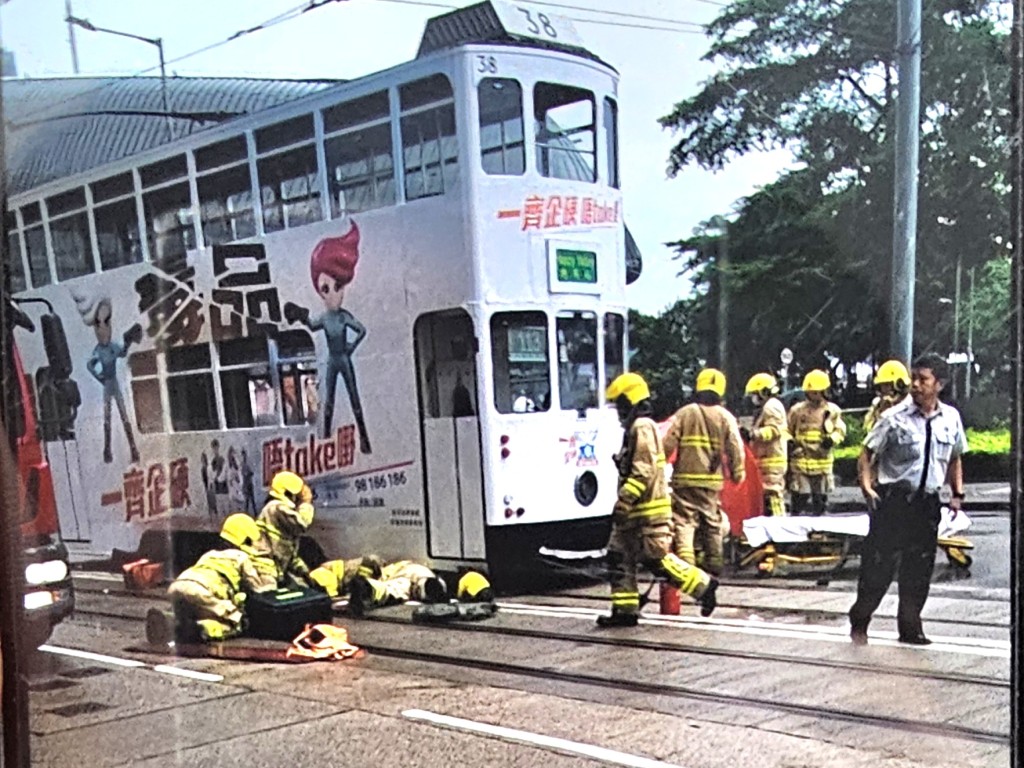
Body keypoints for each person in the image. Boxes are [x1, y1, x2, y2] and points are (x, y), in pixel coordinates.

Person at [848, 354, 967, 645]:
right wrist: (867, 486)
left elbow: (954, 458)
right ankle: (861, 617)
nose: (915, 385)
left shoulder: (950, 418)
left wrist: (957, 494)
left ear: (939, 384)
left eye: (923, 379)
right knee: (879, 567)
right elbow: (867, 453)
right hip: (894, 502)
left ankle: (910, 626)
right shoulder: (893, 417)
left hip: (926, 504)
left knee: (919, 568)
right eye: (914, 378)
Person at [598, 372, 718, 627]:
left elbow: (644, 469)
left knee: (657, 560)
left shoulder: (642, 426)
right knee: (618, 557)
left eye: (621, 405)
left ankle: (704, 586)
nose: (619, 412)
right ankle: (625, 610)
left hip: (646, 511)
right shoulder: (637, 428)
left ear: (632, 401)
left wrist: (625, 501)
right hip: (634, 514)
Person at [283, 221, 371, 452]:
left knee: (354, 400)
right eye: (325, 289)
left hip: (342, 358)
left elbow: (361, 330)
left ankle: (365, 438)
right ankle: (325, 438)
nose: (332, 294)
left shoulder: (342, 317)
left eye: (337, 286)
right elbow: (312, 326)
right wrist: (300, 316)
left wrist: (351, 347)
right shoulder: (326, 318)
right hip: (334, 359)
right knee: (329, 401)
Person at [662, 368, 745, 575]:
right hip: (711, 481)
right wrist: (738, 473)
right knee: (712, 521)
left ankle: (686, 565)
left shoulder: (685, 413)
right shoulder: (726, 417)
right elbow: (736, 447)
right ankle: (715, 563)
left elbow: (668, 442)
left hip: (684, 480)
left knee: (684, 522)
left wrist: (659, 463)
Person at [161, 514, 276, 642]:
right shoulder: (241, 557)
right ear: (246, 540)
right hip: (203, 591)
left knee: (195, 612)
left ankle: (170, 620)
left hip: (178, 586)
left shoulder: (210, 554)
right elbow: (259, 589)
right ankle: (198, 629)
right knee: (236, 622)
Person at [76, 293, 142, 464]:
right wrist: (100, 378)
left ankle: (133, 448)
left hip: (114, 384)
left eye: (107, 322)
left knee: (124, 416)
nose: (104, 329)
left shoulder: (113, 347)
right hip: (108, 385)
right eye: (99, 324)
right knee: (107, 418)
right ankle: (107, 450)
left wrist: (128, 341)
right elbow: (90, 365)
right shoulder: (99, 350)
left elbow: (123, 352)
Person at [787, 369, 846, 515]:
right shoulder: (797, 411)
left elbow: (840, 430)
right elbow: (786, 429)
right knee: (800, 496)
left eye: (817, 392)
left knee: (820, 499)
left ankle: (820, 528)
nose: (814, 396)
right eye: (811, 392)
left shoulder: (832, 411)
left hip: (822, 460)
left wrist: (831, 440)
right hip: (801, 460)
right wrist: (790, 442)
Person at [310, 556, 446, 616]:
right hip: (386, 576)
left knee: (393, 590)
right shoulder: (412, 580)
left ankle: (367, 588)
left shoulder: (421, 572)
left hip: (387, 572)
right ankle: (367, 589)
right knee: (392, 591)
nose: (414, 593)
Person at [257, 470, 316, 587]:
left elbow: (286, 548)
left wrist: (304, 572)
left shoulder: (275, 509)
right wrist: (306, 502)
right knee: (271, 600)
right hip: (266, 569)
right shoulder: (276, 507)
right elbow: (302, 524)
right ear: (289, 493)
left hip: (276, 566)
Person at [743, 373, 789, 517]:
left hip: (772, 460)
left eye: (755, 394)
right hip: (767, 459)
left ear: (763, 392)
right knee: (767, 495)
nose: (753, 398)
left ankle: (778, 527)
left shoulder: (772, 406)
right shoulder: (768, 406)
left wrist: (753, 434)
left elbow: (774, 430)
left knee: (773, 493)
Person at [864, 359, 911, 432]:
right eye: (882, 385)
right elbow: (867, 430)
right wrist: (880, 414)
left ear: (899, 385)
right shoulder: (877, 404)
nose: (883, 389)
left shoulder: (911, 407)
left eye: (886, 385)